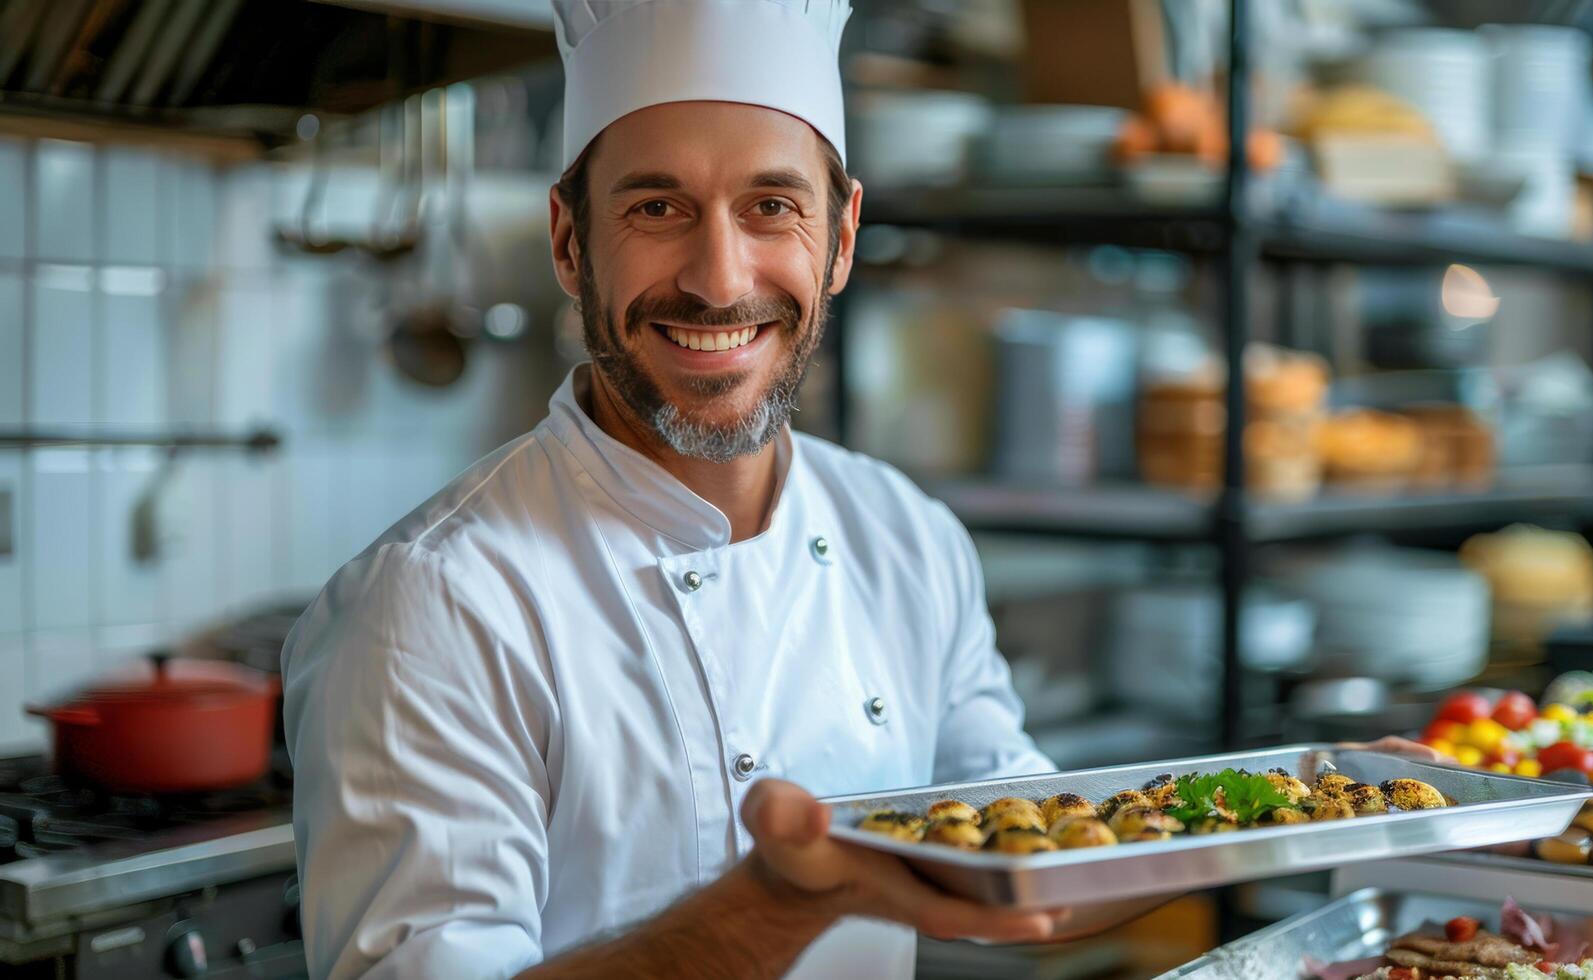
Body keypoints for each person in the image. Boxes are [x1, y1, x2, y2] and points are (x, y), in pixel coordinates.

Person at [281, 2, 1432, 977]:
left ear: (840, 241)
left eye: (771, 206)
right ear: (570, 243)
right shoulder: (431, 605)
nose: (719, 277)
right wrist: (777, 902)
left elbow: (1029, 859)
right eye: (656, 206)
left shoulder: (903, 534)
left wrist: (1296, 809)